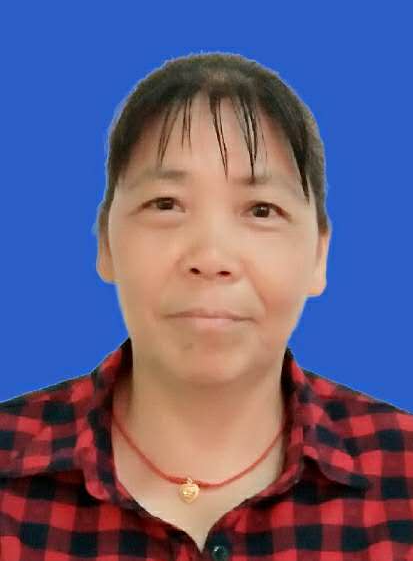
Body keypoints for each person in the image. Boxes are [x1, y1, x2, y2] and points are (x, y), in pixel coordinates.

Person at [1, 52, 412, 560]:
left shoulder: (402, 475)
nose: (211, 258)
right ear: (105, 243)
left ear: (319, 256)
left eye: (261, 210)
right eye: (166, 204)